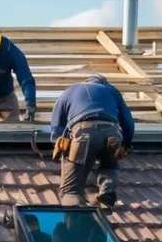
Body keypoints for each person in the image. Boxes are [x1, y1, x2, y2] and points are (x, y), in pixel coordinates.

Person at [50, 73, 135, 209]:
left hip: (83, 132)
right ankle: (107, 194)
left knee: (70, 190)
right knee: (109, 161)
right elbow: (128, 121)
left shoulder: (70, 90)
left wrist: (57, 142)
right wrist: (126, 143)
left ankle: (76, 217)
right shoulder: (111, 90)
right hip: (112, 131)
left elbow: (56, 124)